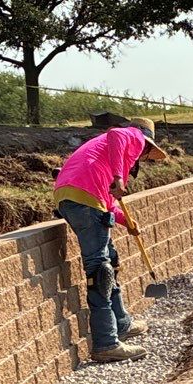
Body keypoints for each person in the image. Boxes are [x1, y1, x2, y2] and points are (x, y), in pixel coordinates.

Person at [53, 118, 169, 364]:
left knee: (111, 261)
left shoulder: (100, 158)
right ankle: (106, 342)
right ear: (146, 144)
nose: (142, 160)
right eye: (146, 156)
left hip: (74, 197)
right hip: (84, 198)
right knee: (100, 269)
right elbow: (116, 133)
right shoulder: (132, 137)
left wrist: (127, 221)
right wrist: (119, 177)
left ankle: (121, 323)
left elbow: (107, 204)